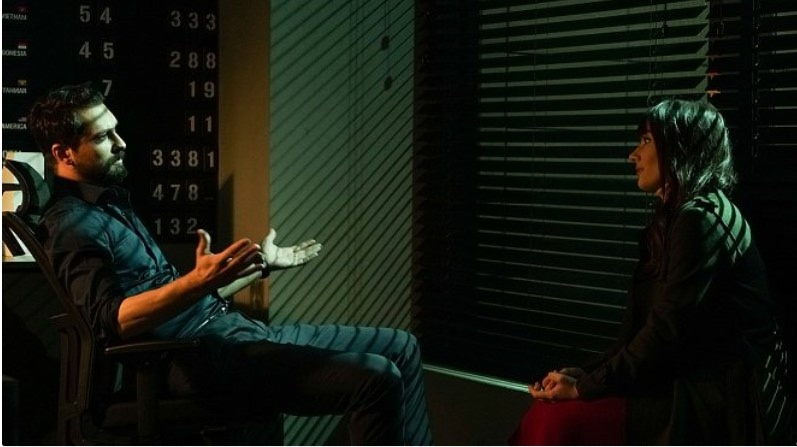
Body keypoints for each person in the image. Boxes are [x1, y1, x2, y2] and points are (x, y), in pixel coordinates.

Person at [28, 82, 433, 445]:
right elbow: (113, 320)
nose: (121, 143)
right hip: (197, 356)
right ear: (63, 153)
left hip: (227, 331)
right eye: (103, 136)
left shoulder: (109, 203)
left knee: (402, 346)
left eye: (116, 130)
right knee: (376, 379)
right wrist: (198, 283)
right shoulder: (72, 226)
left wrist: (258, 267)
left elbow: (183, 297)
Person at [510, 99, 794, 445]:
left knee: (553, 420)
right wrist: (588, 374)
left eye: (646, 140)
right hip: (679, 381)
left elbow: (665, 332)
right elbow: (642, 332)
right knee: (549, 414)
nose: (633, 155)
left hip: (709, 399)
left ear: (680, 147)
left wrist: (585, 387)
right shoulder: (684, 218)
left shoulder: (700, 220)